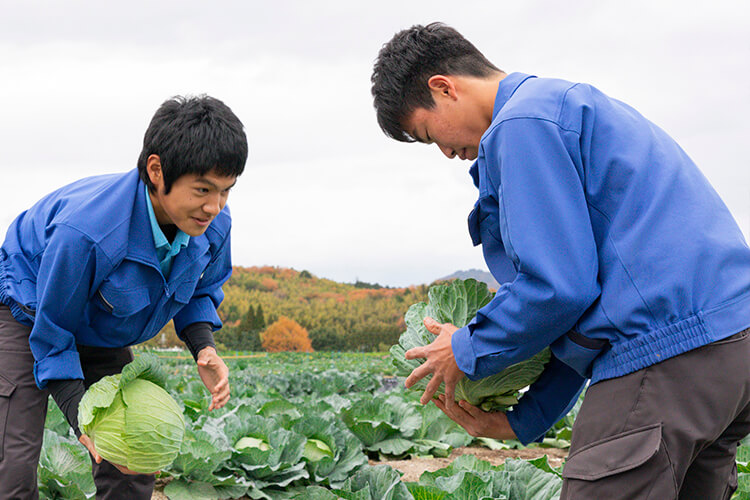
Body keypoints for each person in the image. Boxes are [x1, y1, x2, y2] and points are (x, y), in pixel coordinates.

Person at [371, 22, 750, 499]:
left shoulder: (521, 124)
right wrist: (527, 418)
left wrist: (466, 348)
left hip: (671, 355)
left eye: (429, 135)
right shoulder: (567, 106)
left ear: (443, 88)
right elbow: (593, 318)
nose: (446, 153)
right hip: (729, 352)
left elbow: (560, 289)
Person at [0, 94, 248, 499]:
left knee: (132, 451)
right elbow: (52, 332)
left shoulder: (212, 226)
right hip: (27, 305)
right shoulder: (88, 233)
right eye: (203, 189)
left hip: (99, 321)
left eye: (226, 191)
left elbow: (201, 288)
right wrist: (81, 417)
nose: (214, 206)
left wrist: (203, 346)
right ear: (157, 170)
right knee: (14, 454)